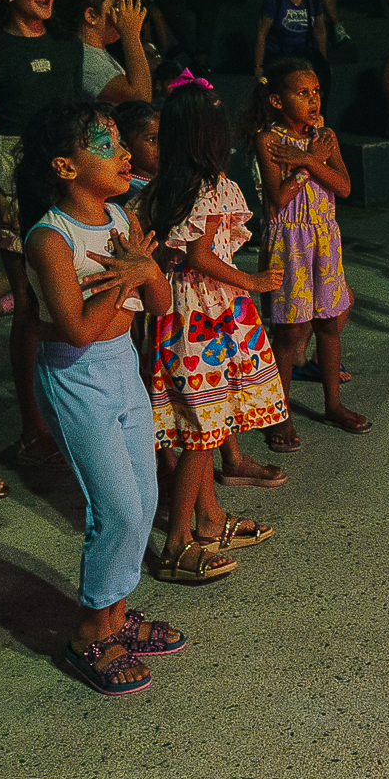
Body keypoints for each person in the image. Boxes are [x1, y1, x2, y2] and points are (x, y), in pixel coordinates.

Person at [14, 100, 179, 695]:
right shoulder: (48, 237)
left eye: (120, 142)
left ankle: (116, 613)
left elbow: (160, 305)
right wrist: (127, 278)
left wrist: (144, 270)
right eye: (105, 145)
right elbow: (78, 328)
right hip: (75, 376)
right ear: (64, 165)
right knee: (116, 508)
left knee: (144, 493)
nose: (125, 153)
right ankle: (90, 631)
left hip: (123, 368)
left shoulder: (120, 218)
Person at [135, 79, 284, 578]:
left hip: (176, 313)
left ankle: (209, 516)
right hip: (210, 315)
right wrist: (253, 280)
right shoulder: (214, 186)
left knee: (199, 423)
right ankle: (178, 541)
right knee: (202, 431)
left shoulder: (160, 187)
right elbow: (202, 257)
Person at [0, 0, 81, 483]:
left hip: (65, 166)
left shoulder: (66, 45)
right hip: (15, 172)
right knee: (29, 300)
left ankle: (68, 413)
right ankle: (31, 430)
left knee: (73, 288)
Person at [252, 57, 364, 435]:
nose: (314, 99)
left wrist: (311, 159)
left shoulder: (324, 137)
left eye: (316, 92)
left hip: (324, 239)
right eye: (303, 93)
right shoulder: (268, 140)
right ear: (277, 101)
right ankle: (280, 414)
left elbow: (344, 187)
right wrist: (308, 163)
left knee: (329, 324)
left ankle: (333, 403)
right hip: (289, 242)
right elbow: (280, 198)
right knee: (289, 330)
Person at [252, 0, 327, 88]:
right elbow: (262, 33)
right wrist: (259, 66)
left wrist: (323, 62)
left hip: (304, 54)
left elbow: (320, 31)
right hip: (279, 54)